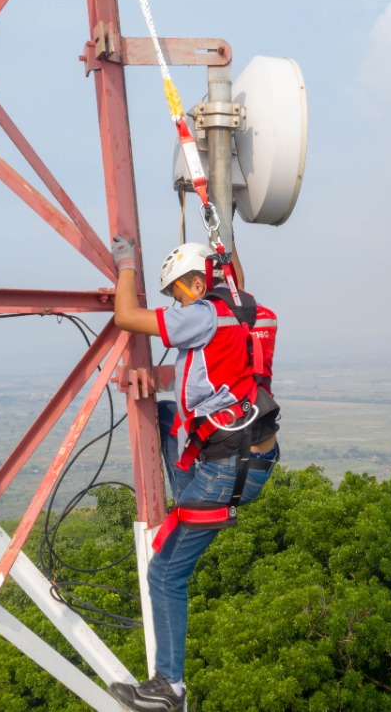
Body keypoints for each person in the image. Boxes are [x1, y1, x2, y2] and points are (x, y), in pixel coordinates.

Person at [107, 235, 280, 712]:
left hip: (222, 472)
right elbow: (235, 279)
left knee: (164, 573)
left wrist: (126, 268)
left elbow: (126, 318)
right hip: (250, 459)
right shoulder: (248, 309)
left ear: (199, 281)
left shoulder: (203, 314)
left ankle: (169, 688)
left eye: (179, 292)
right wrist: (225, 238)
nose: (178, 303)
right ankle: (184, 503)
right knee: (165, 414)